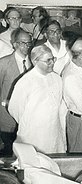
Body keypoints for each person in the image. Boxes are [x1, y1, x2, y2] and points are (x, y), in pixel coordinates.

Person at [8, 44, 65, 154]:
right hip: (33, 135)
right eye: (48, 60)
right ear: (35, 61)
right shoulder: (25, 82)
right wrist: (31, 123)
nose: (52, 63)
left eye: (53, 59)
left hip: (53, 132)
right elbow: (14, 109)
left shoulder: (57, 78)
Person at [0, 28, 32, 156]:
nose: (27, 46)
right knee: (8, 155)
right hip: (7, 119)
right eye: (23, 43)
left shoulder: (34, 63)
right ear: (14, 44)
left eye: (29, 43)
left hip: (27, 119)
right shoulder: (3, 63)